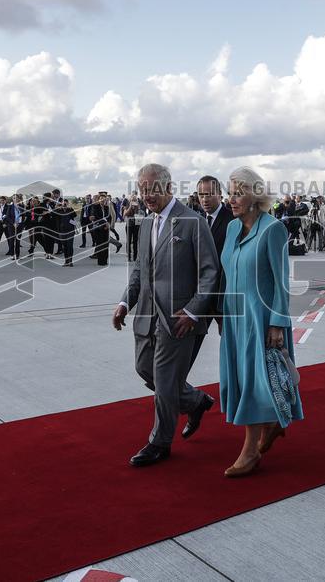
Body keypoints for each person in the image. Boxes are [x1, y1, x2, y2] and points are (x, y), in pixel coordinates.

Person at [113, 164, 219, 467]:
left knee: (165, 379)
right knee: (144, 369)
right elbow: (139, 271)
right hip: (146, 316)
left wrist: (193, 311)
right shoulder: (146, 223)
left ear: (168, 187)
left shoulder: (192, 222)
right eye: (142, 188)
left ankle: (159, 443)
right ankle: (195, 402)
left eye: (151, 188)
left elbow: (210, 273)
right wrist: (124, 303)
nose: (146, 194)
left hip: (178, 320)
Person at [219, 166, 303, 477]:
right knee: (242, 379)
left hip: (262, 318)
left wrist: (277, 323)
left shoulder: (273, 229)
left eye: (238, 193)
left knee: (256, 381)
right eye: (230, 193)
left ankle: (250, 450)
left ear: (255, 195)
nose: (232, 199)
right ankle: (271, 425)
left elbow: (281, 280)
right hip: (235, 317)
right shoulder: (230, 228)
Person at [191, 174, 235, 366]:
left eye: (209, 194)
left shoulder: (233, 220)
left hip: (223, 298)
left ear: (220, 194)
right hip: (201, 297)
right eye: (201, 194)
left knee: (231, 347)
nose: (205, 199)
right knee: (189, 348)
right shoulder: (197, 220)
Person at [88, 193, 111, 266]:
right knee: (100, 244)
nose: (102, 200)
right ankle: (101, 261)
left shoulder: (107, 207)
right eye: (101, 199)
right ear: (99, 199)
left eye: (104, 199)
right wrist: (105, 223)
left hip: (106, 228)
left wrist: (108, 223)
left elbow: (109, 217)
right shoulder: (95, 207)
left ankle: (105, 260)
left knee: (106, 244)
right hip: (99, 228)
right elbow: (96, 217)